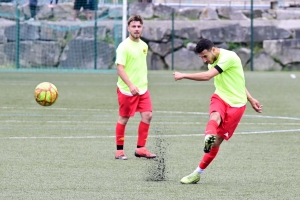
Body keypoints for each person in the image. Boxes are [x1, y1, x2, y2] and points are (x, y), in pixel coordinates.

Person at [173, 38, 263, 184]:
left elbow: (210, 77)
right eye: (201, 57)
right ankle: (208, 137)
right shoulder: (212, 61)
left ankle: (197, 173)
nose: (204, 60)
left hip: (237, 105)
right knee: (214, 117)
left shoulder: (229, 57)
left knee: (216, 143)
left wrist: (183, 75)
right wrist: (252, 99)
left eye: (205, 56)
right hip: (220, 97)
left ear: (213, 50)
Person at [114, 15, 156, 160]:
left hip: (142, 89)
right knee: (124, 118)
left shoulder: (144, 45)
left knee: (148, 115)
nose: (136, 29)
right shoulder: (123, 47)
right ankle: (119, 151)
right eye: (134, 26)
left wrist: (139, 84)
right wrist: (130, 85)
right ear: (128, 28)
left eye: (139, 26)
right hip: (127, 90)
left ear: (142, 28)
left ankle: (141, 149)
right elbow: (120, 69)